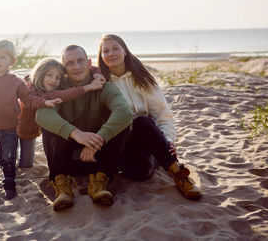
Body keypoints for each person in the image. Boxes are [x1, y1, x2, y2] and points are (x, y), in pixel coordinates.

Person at [97, 34, 201, 200]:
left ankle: (178, 173)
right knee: (140, 173)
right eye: (106, 50)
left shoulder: (142, 79)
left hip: (142, 137)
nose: (110, 53)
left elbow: (162, 114)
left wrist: (167, 140)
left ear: (125, 51)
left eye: (115, 48)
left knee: (142, 121)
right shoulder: (100, 83)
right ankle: (158, 157)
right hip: (117, 146)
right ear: (101, 57)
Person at [35, 45, 133, 211]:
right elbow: (41, 116)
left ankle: (100, 183)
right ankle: (62, 186)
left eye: (80, 61)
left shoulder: (103, 86)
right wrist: (76, 133)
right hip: (68, 159)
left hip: (98, 156)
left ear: (88, 62)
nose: (77, 66)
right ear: (64, 68)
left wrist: (97, 140)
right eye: (70, 63)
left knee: (118, 124)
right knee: (50, 127)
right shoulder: (59, 90)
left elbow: (125, 112)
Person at [0, 39, 61, 200]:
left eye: (3, 57)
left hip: (10, 130)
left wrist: (45, 102)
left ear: (12, 61)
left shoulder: (16, 82)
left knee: (8, 159)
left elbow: (29, 99)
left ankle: (10, 186)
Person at [16, 57, 105, 168]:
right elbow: (61, 95)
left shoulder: (49, 89)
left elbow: (85, 68)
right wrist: (88, 87)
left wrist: (96, 73)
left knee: (26, 164)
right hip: (14, 129)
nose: (54, 80)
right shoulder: (29, 90)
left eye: (58, 78)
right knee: (10, 159)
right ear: (40, 73)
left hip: (31, 133)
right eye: (49, 75)